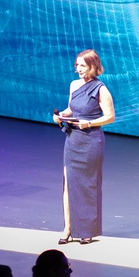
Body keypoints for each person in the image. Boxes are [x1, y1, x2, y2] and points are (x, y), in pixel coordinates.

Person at [53, 49, 115, 244]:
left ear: (93, 66)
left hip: (91, 141)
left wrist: (89, 123)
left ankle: (87, 230)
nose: (79, 69)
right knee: (68, 185)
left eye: (83, 66)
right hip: (73, 140)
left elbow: (110, 117)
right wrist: (61, 115)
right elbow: (72, 109)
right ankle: (68, 228)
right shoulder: (74, 85)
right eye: (77, 65)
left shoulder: (101, 89)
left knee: (88, 185)